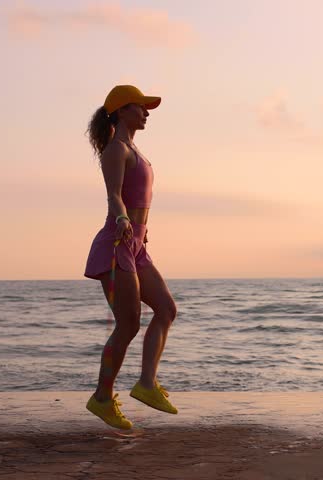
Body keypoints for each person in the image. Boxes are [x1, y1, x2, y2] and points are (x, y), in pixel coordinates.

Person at [82, 85, 178, 429]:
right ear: (122, 110)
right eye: (141, 107)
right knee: (128, 324)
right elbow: (113, 196)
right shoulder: (116, 149)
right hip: (116, 243)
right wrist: (123, 218)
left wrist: (138, 231)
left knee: (167, 309)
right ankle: (102, 398)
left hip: (137, 246)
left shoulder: (136, 149)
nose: (147, 112)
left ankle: (146, 384)